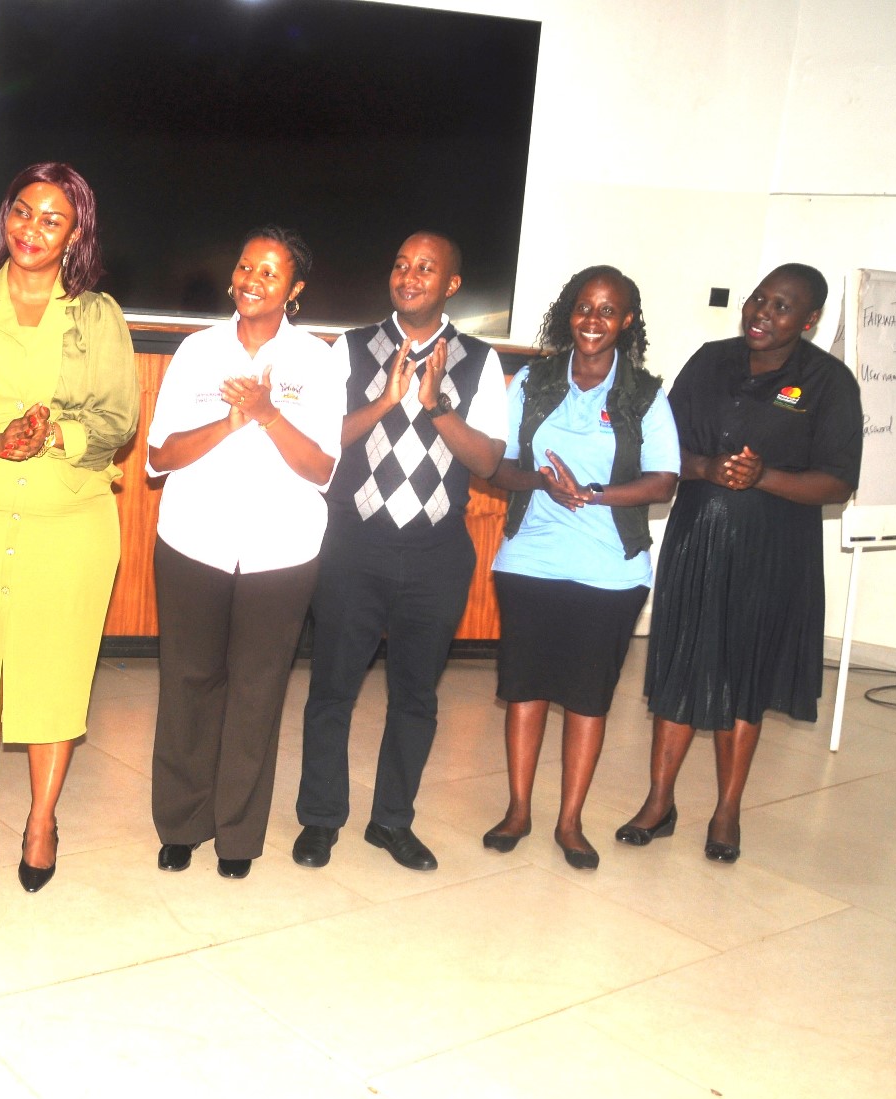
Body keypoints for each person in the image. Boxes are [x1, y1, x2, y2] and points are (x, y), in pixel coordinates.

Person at [0, 162, 137, 893]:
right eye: (22, 212)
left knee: (55, 673)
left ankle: (42, 819)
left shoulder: (100, 314)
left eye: (53, 220)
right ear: (4, 216)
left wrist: (52, 438)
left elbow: (118, 422)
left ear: (76, 233)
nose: (32, 231)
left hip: (71, 521)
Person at [617, 264, 862, 863]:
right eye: (759, 299)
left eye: (782, 307)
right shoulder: (710, 359)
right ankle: (659, 801)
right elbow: (665, 441)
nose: (762, 312)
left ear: (808, 321)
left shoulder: (828, 382)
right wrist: (704, 469)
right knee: (679, 664)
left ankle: (727, 810)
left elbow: (838, 481)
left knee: (744, 675)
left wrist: (764, 477)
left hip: (772, 552)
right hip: (698, 537)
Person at [293, 231, 508, 872]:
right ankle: (321, 819)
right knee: (332, 689)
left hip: (437, 552)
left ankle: (391, 821)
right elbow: (321, 442)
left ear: (451, 285)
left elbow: (490, 458)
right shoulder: (351, 349)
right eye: (401, 264)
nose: (409, 276)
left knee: (416, 697)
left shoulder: (478, 359)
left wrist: (434, 405)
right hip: (353, 544)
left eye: (425, 268)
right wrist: (386, 400)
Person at [145, 228, 342, 879]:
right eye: (244, 266)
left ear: (295, 290)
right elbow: (159, 457)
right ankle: (181, 822)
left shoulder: (318, 361)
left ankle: (236, 837)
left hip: (280, 552)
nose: (252, 279)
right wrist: (228, 421)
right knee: (188, 685)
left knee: (256, 695)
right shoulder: (197, 352)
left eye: (270, 271)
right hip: (193, 541)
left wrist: (266, 413)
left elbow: (320, 469)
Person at [482, 266, 679, 869]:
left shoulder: (644, 394)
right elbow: (497, 466)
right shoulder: (533, 382)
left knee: (588, 699)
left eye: (607, 311)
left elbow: (665, 480)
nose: (593, 321)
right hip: (530, 559)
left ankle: (570, 822)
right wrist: (541, 481)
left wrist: (590, 494)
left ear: (626, 322)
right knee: (526, 690)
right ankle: (519, 810)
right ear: (569, 313)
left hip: (609, 571)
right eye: (583, 308)